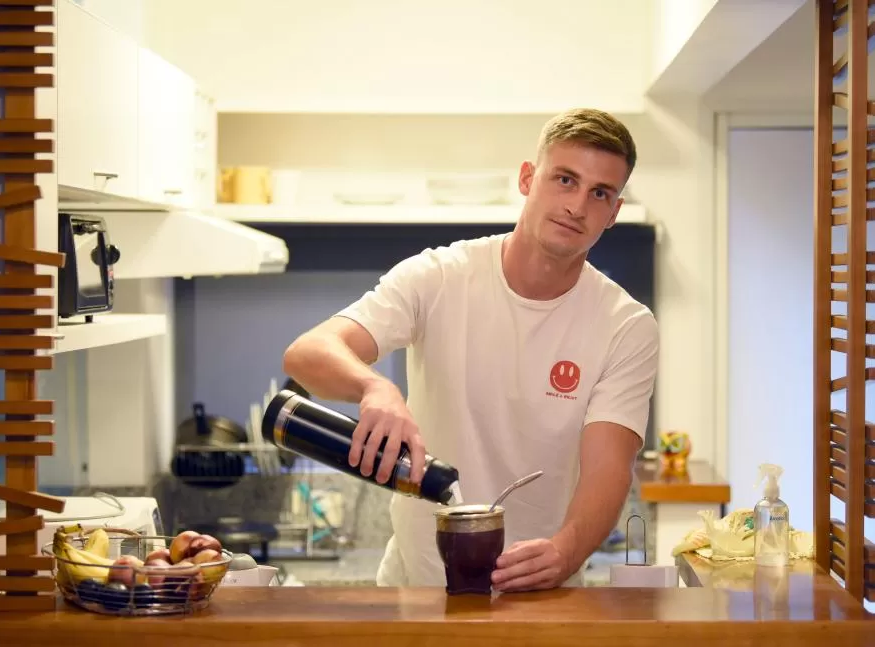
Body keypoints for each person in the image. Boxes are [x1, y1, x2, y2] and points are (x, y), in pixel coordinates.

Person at [281, 108, 659, 592]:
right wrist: (375, 388)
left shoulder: (626, 325)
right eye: (565, 179)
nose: (577, 206)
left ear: (613, 213)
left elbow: (609, 469)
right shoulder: (439, 276)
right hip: (416, 590)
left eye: (599, 193)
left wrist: (565, 551)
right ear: (527, 178)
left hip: (541, 592)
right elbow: (308, 353)